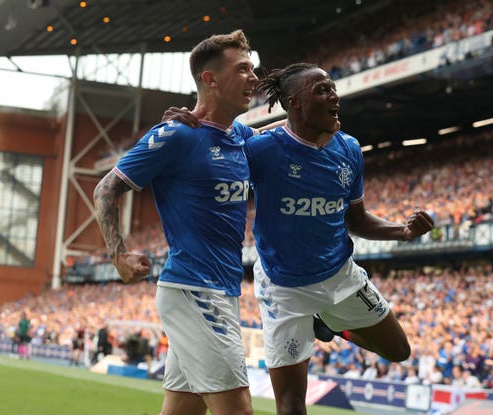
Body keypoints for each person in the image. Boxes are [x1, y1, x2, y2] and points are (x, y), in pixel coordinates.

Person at [164, 62, 434, 415]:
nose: (334, 95)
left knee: (399, 351)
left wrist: (404, 231)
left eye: (333, 88)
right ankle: (320, 321)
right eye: (322, 90)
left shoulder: (349, 149)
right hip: (284, 288)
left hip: (341, 276)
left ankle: (330, 323)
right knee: (291, 404)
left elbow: (356, 218)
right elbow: (217, 142)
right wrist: (190, 124)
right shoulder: (262, 149)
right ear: (295, 104)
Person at [93, 30, 262, 415]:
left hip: (223, 291)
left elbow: (285, 137)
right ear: (210, 79)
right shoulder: (175, 136)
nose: (253, 77)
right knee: (237, 408)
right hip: (194, 290)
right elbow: (105, 189)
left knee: (182, 410)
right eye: (243, 69)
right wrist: (117, 256)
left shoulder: (242, 137)